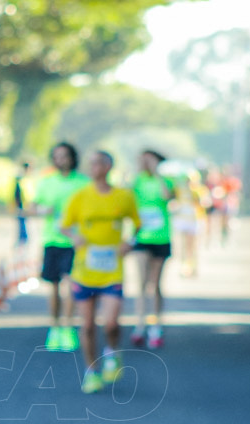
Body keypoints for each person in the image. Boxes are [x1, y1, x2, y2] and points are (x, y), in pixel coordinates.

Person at [60, 151, 141, 394]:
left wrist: (129, 242)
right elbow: (64, 226)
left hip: (112, 272)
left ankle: (112, 353)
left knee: (111, 323)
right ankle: (91, 371)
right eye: (90, 163)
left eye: (96, 163)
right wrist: (75, 236)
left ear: (108, 166)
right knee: (86, 326)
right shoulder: (80, 196)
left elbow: (137, 224)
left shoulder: (123, 196)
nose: (92, 167)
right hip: (85, 271)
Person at [30, 142, 89, 352]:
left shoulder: (83, 183)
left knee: (71, 284)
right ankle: (54, 327)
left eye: (65, 156)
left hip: (75, 241)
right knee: (53, 286)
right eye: (57, 157)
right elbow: (32, 207)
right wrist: (43, 210)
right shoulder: (47, 182)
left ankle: (68, 326)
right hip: (52, 240)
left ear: (73, 158)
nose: (61, 160)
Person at [130, 149, 175, 349]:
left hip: (161, 237)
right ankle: (139, 325)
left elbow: (167, 196)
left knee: (155, 284)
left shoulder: (165, 180)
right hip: (141, 237)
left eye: (151, 160)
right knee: (140, 282)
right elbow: (127, 199)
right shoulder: (136, 180)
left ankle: (156, 326)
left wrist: (156, 173)